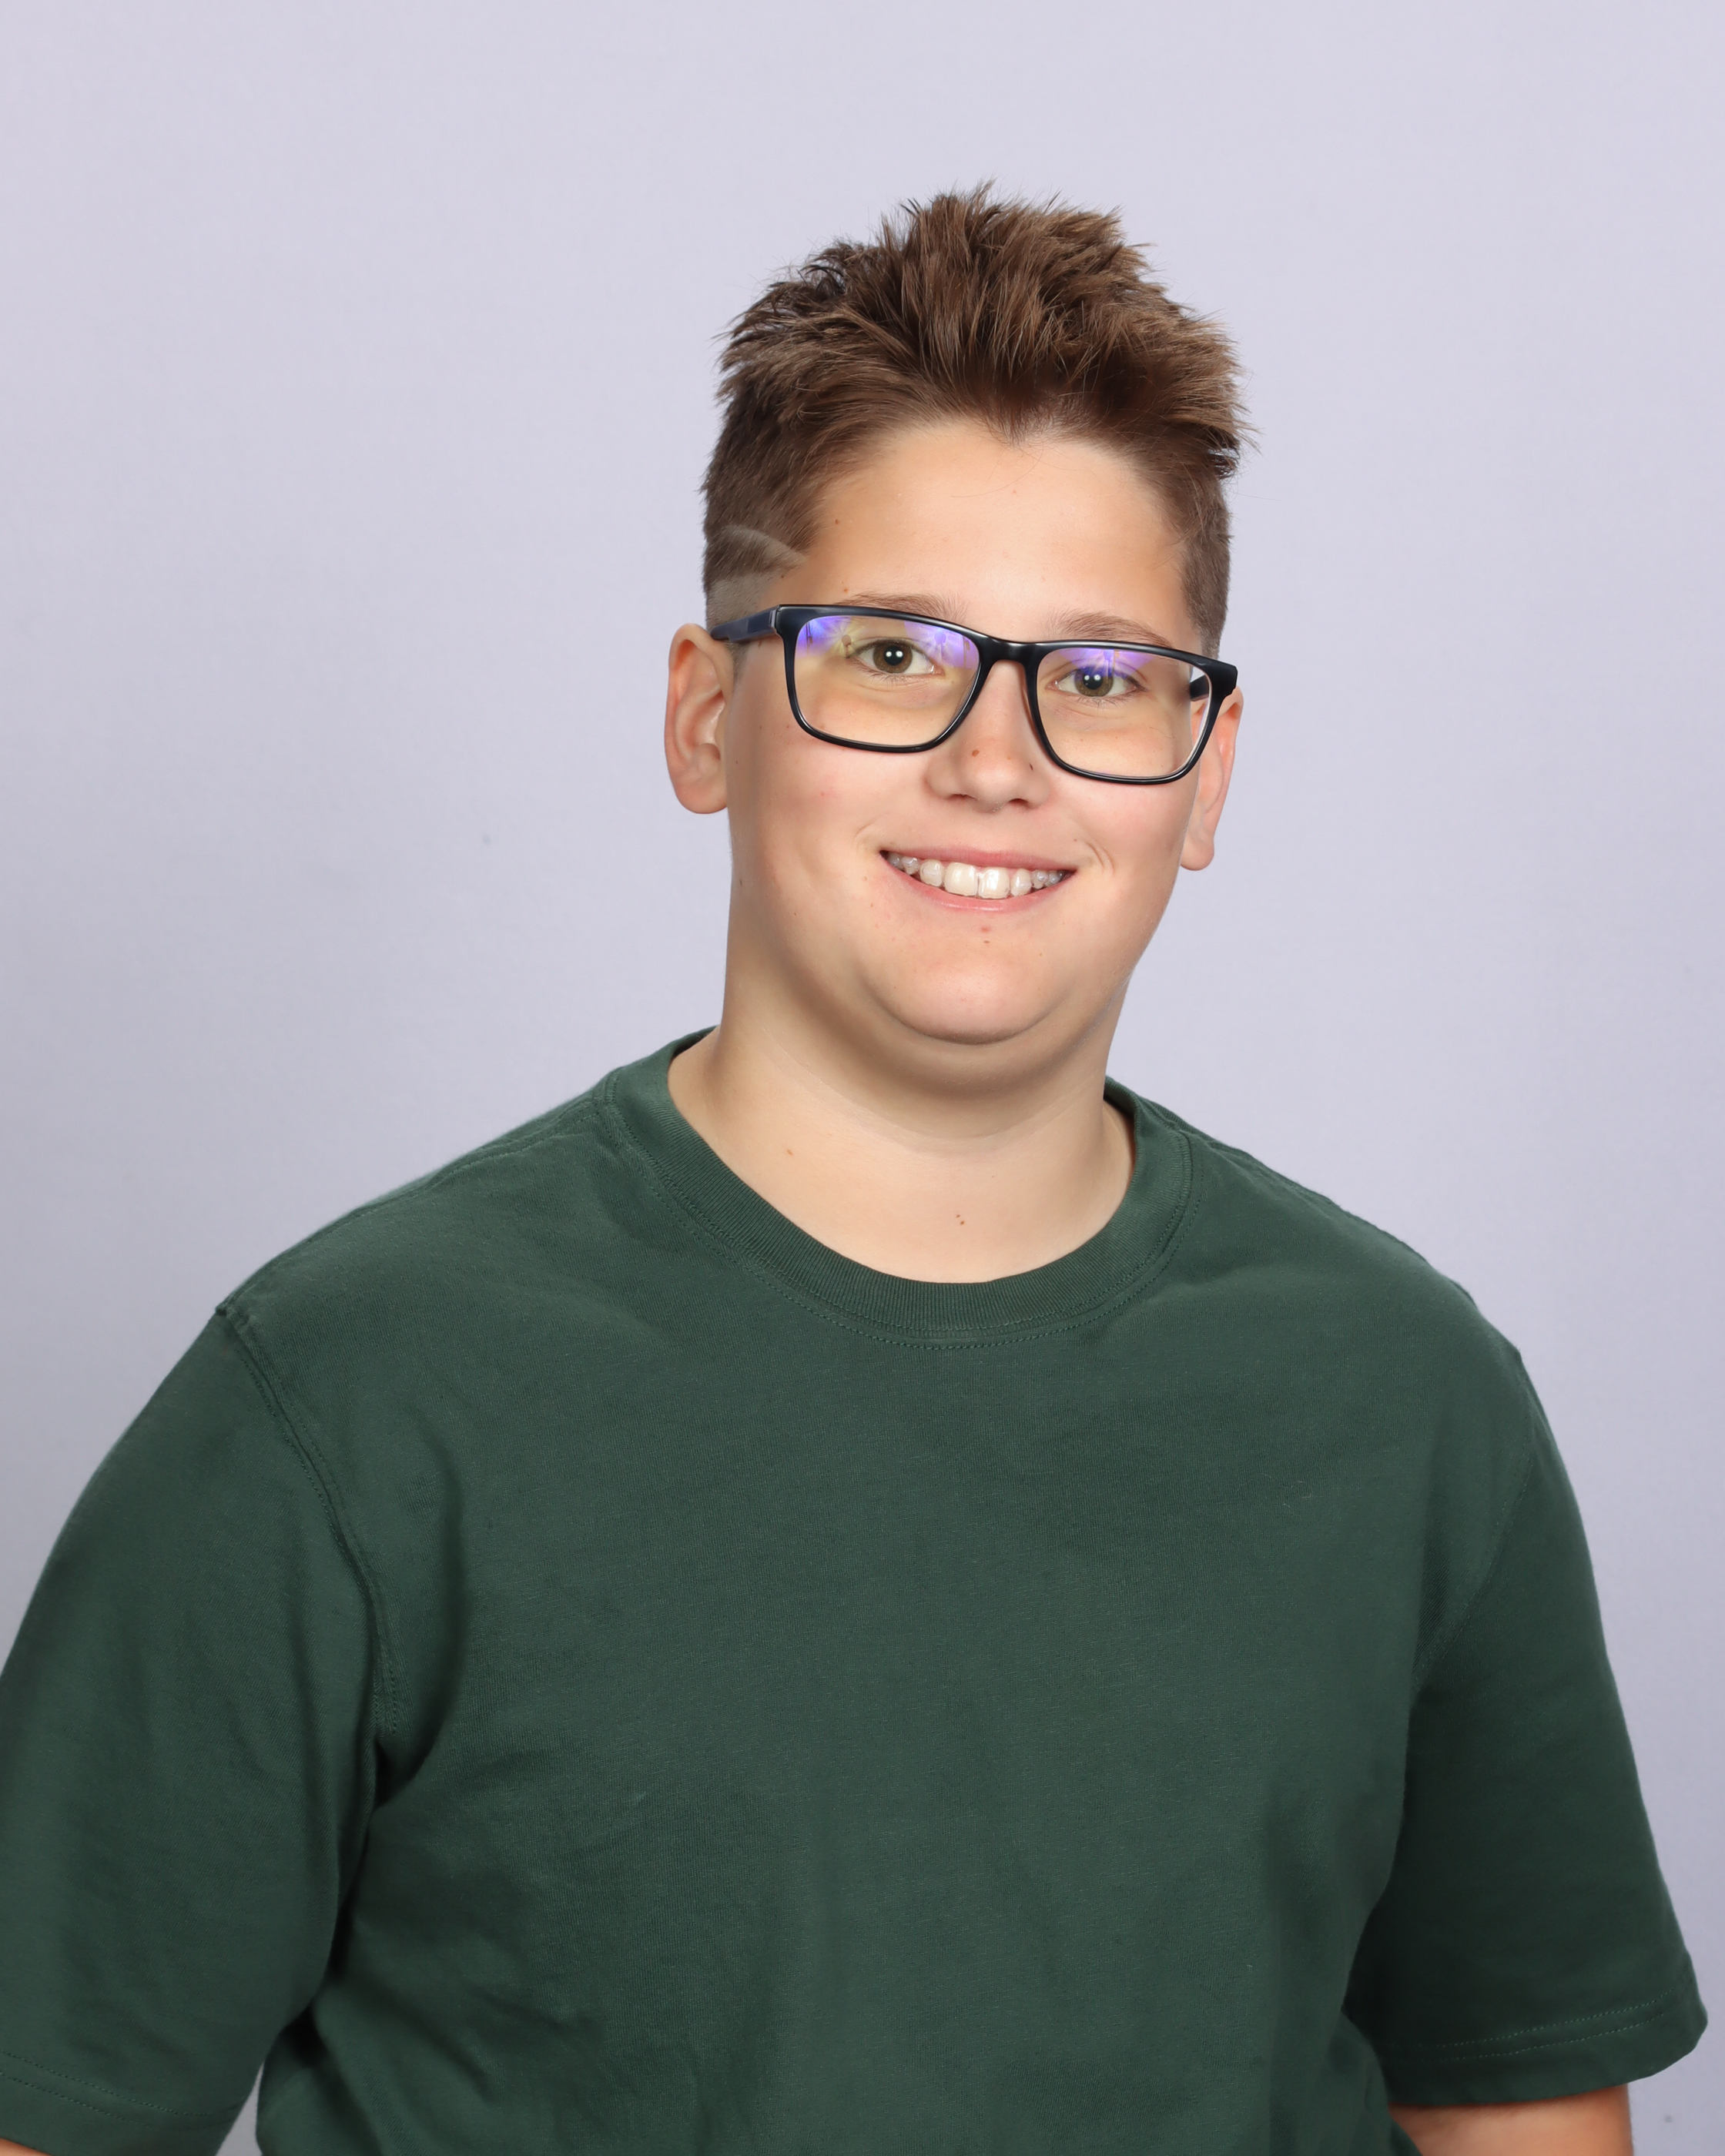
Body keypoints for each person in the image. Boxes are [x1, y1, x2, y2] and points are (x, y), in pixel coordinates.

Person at [0, 188, 1704, 2156]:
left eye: (1102, 676)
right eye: (890, 652)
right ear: (705, 715)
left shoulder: (1407, 1399)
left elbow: (1518, 2113)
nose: (999, 758)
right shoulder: (350, 1401)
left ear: (1204, 772)